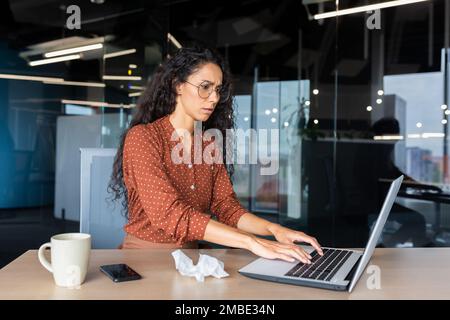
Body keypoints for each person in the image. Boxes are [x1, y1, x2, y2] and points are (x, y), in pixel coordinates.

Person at [109, 46, 323, 263]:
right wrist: (251, 242)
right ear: (178, 85)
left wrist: (274, 229)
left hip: (192, 258)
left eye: (218, 90)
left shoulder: (208, 143)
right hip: (146, 259)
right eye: (205, 87)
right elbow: (170, 214)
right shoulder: (144, 138)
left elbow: (226, 207)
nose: (214, 98)